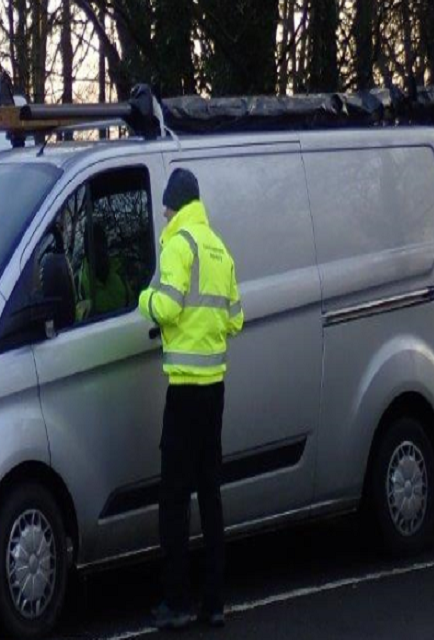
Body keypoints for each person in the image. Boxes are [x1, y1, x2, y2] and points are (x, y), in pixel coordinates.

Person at [137, 168, 244, 630]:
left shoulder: (179, 245)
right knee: (211, 495)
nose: (163, 214)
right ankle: (214, 602)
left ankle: (177, 600)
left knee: (174, 499)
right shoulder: (219, 249)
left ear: (177, 205)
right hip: (214, 391)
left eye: (166, 207)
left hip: (183, 392)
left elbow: (166, 306)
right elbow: (235, 318)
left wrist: (143, 299)